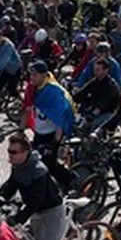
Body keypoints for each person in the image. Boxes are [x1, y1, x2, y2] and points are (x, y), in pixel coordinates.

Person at [0, 133, 77, 240]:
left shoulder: (38, 170)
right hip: (37, 212)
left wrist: (19, 217)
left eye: (13, 152)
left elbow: (37, 200)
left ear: (25, 152)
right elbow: (12, 184)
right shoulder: (18, 166)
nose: (10, 155)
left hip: (52, 210)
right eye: (9, 151)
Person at [28, 60, 76, 189]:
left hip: (51, 135)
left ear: (44, 75)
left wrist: (54, 142)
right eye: (30, 75)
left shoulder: (54, 93)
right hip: (39, 133)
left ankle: (70, 179)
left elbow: (60, 120)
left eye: (35, 75)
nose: (31, 78)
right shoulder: (35, 89)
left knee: (49, 164)